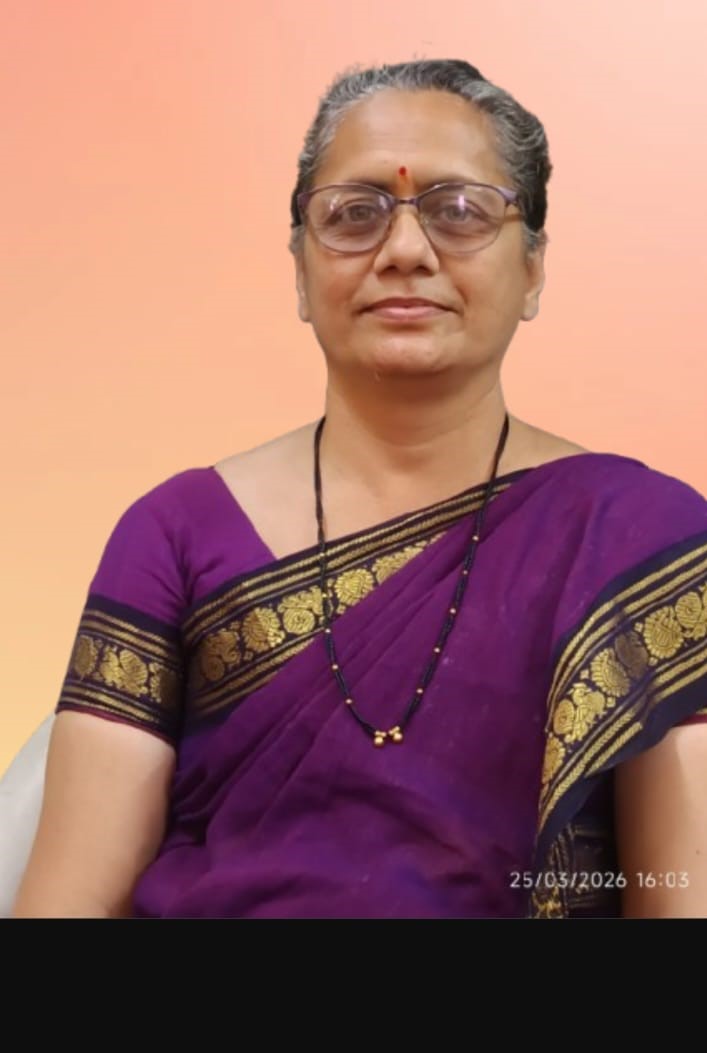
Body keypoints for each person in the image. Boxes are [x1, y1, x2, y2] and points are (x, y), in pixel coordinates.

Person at [13, 59, 707, 919]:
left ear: (532, 270)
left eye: (459, 211)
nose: (406, 250)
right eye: (354, 213)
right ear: (300, 271)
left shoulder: (640, 537)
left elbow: (679, 901)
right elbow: (68, 905)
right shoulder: (175, 534)